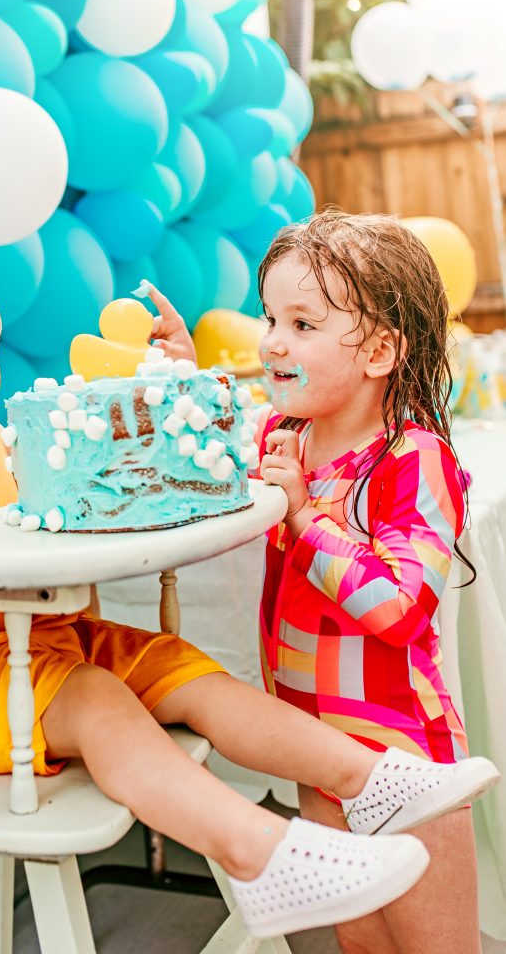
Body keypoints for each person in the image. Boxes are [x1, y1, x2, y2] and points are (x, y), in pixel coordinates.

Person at [0, 132, 497, 941]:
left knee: (181, 665)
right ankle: (258, 851)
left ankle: (372, 777)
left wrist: (169, 387)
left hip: (38, 642)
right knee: (98, 700)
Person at [155, 209, 500, 953]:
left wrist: (306, 515)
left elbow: (402, 610)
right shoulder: (284, 437)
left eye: (302, 324)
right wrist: (183, 372)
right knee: (362, 946)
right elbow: (214, 433)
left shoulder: (411, 459)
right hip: (317, 753)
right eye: (269, 316)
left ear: (378, 350)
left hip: (402, 759)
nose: (271, 340)